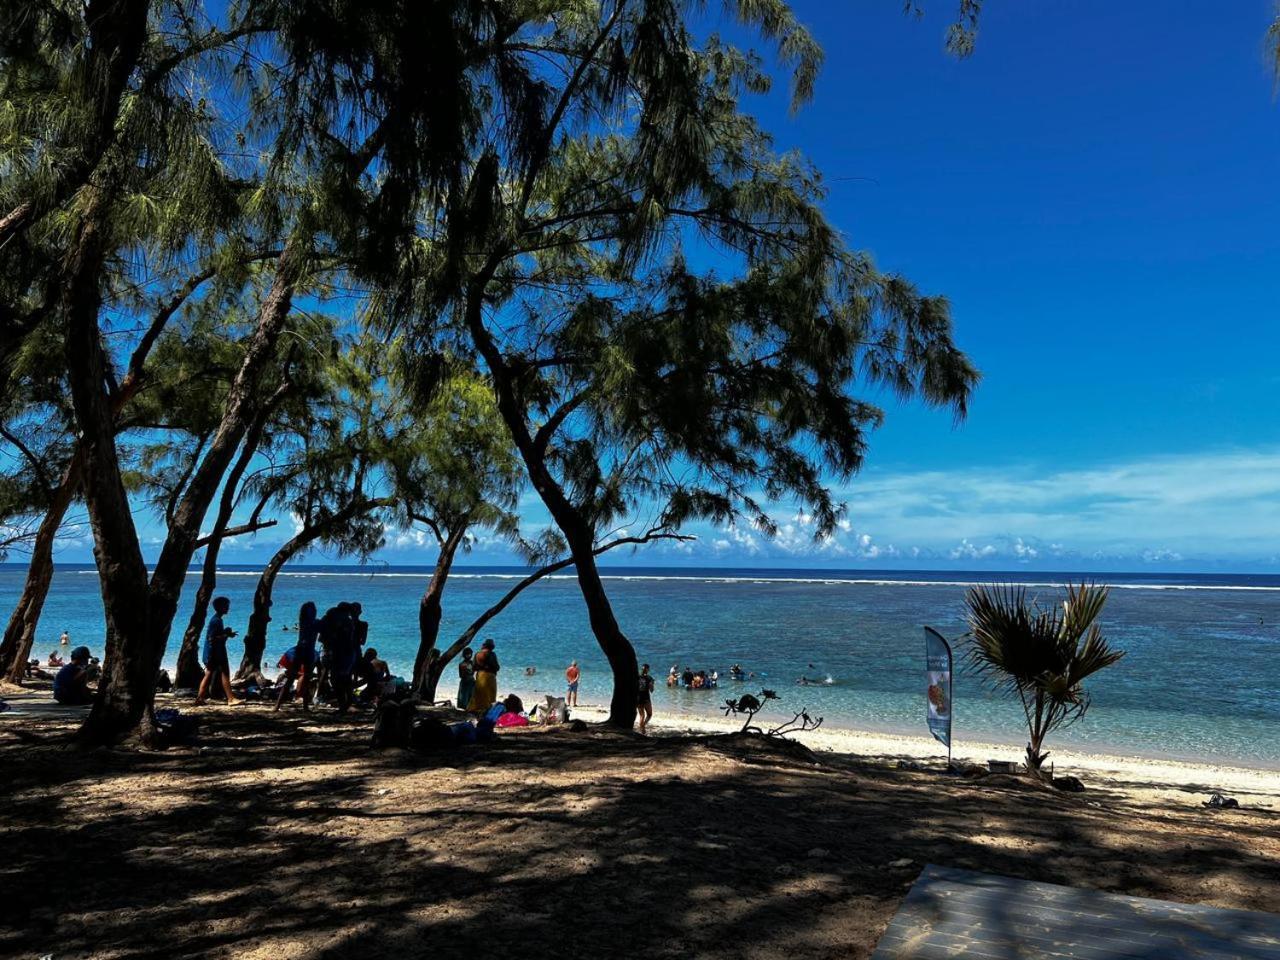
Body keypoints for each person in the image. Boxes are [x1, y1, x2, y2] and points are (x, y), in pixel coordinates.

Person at [195, 596, 240, 706]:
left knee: (210, 674)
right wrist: (226, 634)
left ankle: (200, 699)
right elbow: (212, 638)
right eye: (226, 606)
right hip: (215, 653)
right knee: (224, 673)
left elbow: (216, 636)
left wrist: (226, 633)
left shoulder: (217, 619)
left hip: (214, 652)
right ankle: (230, 699)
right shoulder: (216, 621)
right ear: (220, 607)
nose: (228, 608)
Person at [275, 601, 319, 712]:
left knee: (297, 679)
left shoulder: (304, 621)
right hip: (306, 651)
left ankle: (278, 706)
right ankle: (303, 706)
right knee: (303, 679)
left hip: (302, 650)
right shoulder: (313, 623)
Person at [468, 638, 500, 712]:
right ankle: (487, 711)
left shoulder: (477, 654)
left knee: (478, 694)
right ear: (491, 647)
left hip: (480, 675)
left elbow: (474, 667)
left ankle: (475, 709)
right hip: (489, 676)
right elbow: (496, 667)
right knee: (490, 695)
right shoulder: (492, 654)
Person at [636, 663, 655, 733]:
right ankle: (643, 726)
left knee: (641, 715)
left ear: (641, 669)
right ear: (648, 670)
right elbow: (652, 690)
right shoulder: (649, 678)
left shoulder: (637, 677)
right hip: (646, 698)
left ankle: (642, 729)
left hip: (638, 698)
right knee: (649, 714)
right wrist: (652, 684)